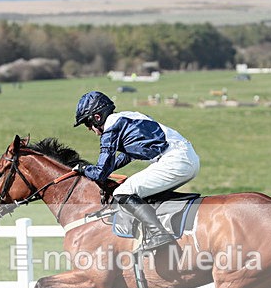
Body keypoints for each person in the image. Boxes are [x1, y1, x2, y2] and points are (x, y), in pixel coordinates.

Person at [73, 91, 200, 250]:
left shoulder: (111, 127)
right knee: (141, 193)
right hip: (187, 158)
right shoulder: (128, 117)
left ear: (97, 117)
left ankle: (159, 234)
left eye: (87, 123)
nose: (89, 129)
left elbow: (100, 172)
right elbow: (125, 157)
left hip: (175, 161)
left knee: (122, 192)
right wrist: (98, 169)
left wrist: (83, 168)